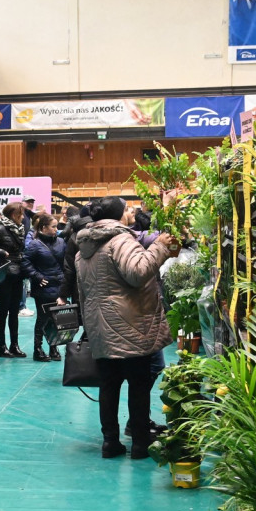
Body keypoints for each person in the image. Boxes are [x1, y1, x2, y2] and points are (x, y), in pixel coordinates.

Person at [76, 196, 178, 460]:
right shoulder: (120, 240)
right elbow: (137, 272)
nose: (131, 210)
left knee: (109, 385)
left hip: (100, 324)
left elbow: (83, 292)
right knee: (138, 385)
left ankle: (110, 442)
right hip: (130, 323)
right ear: (119, 215)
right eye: (127, 207)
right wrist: (159, 247)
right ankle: (141, 444)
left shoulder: (84, 247)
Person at [22, 212, 66, 362]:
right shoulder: (34, 244)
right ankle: (38, 348)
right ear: (43, 227)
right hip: (43, 287)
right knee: (43, 318)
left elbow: (66, 262)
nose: (56, 229)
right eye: (53, 227)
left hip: (58, 285)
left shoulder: (61, 242)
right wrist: (37, 276)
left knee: (56, 318)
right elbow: (25, 262)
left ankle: (54, 347)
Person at [0, 202, 28, 359]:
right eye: (21, 214)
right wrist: (1, 252)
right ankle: (1, 346)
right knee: (3, 310)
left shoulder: (20, 229)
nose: (23, 217)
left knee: (14, 311)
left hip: (18, 274)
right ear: (13, 215)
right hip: (4, 274)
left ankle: (14, 345)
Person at [18, 195, 36, 318]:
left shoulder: (29, 215)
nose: (30, 204)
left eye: (32, 202)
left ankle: (20, 305)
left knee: (23, 282)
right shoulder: (23, 215)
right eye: (28, 202)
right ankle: (21, 306)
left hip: (24, 252)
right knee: (22, 282)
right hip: (21, 252)